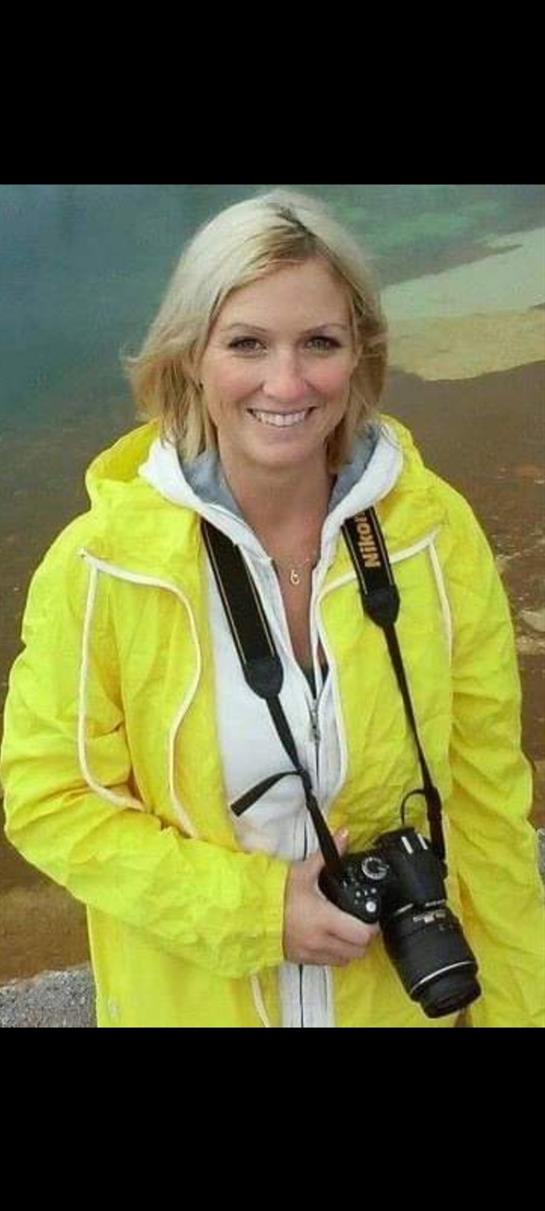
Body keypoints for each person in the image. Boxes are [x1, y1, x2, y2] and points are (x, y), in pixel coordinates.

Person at [1, 189, 543, 1029]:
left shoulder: (431, 535)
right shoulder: (103, 564)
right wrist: (254, 911)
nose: (285, 383)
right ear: (190, 354)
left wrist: (517, 1010)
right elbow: (50, 798)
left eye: (319, 342)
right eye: (246, 342)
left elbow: (484, 804)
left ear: (359, 352)